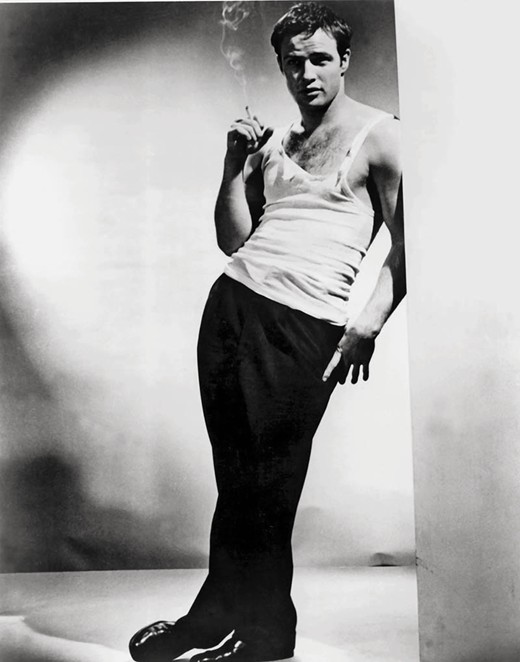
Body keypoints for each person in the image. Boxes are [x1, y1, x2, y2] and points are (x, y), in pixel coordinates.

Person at [129, 3, 404, 661]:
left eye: (319, 59)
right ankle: (220, 618)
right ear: (280, 67)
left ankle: (261, 630)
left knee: (268, 485)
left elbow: (414, 244)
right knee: (238, 482)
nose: (306, 74)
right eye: (293, 62)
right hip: (230, 308)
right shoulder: (274, 143)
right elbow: (233, 240)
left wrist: (367, 324)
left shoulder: (382, 136)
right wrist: (233, 166)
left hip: (302, 327)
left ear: (344, 61)